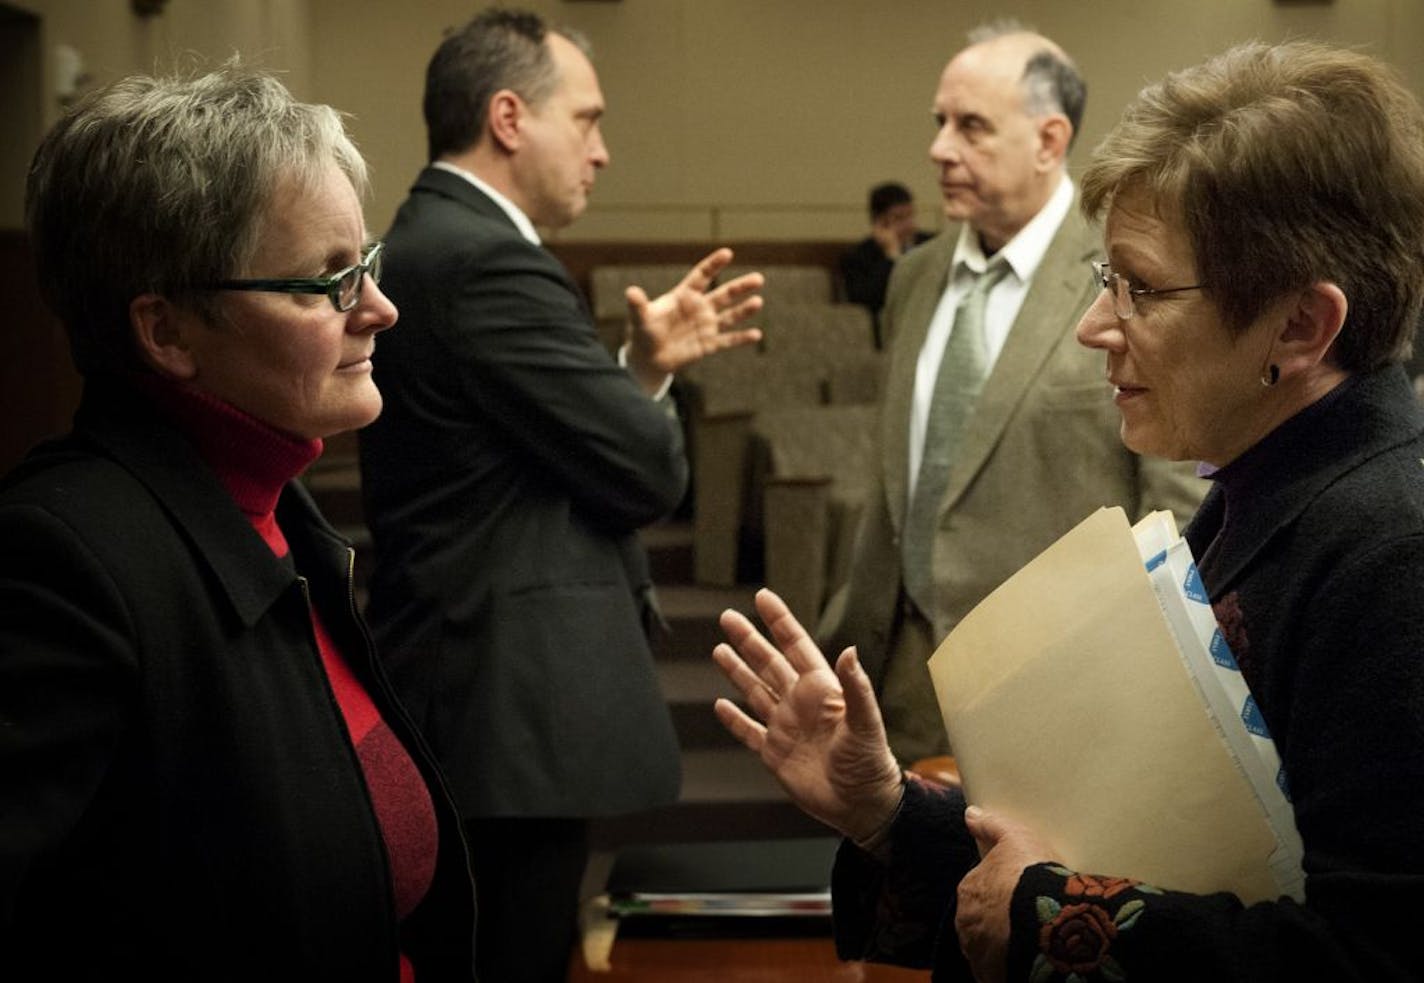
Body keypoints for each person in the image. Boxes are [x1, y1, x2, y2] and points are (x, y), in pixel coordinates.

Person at [713, 38, 1424, 983]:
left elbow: (1375, 955)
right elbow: (1140, 852)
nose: (1097, 325)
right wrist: (886, 808)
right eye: (1105, 279)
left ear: (1300, 326)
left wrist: (1046, 915)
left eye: (1141, 288)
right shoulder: (1266, 488)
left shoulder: (1393, 553)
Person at [0, 65, 476, 980]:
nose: (380, 307)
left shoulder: (275, 511)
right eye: (328, 280)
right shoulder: (62, 561)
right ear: (168, 331)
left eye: (366, 262)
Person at [356, 9, 763, 982]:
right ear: (507, 117)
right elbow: (645, 470)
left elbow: (538, 445)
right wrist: (646, 397)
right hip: (501, 706)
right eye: (584, 119)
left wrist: (638, 365)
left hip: (472, 689)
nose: (602, 150)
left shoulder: (433, 240)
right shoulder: (486, 259)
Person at [819, 22, 1205, 767]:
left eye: (970, 126)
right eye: (939, 123)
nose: (939, 148)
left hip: (1059, 696)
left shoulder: (1128, 272)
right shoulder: (914, 278)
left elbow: (1173, 502)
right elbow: (896, 482)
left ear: (1049, 140)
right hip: (900, 685)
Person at [840, 181, 933, 345]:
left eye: (910, 215)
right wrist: (892, 256)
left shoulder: (931, 244)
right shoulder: (858, 256)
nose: (909, 224)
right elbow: (864, 301)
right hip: (890, 332)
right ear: (879, 222)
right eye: (899, 218)